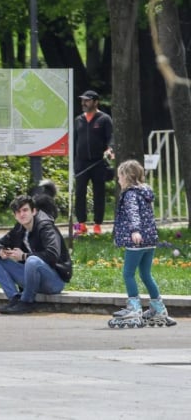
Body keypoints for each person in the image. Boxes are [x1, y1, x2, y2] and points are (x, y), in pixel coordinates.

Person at [109, 160, 176, 327]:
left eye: (119, 177)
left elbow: (133, 213)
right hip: (150, 240)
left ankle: (134, 307)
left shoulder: (130, 194)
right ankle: (158, 308)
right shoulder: (145, 192)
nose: (118, 180)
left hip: (136, 241)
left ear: (126, 176)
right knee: (146, 274)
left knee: (128, 273)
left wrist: (135, 230)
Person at [0, 194, 73, 314]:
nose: (22, 214)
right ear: (15, 215)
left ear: (34, 211)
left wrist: (23, 256)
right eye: (18, 212)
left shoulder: (45, 227)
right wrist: (1, 250)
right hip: (31, 278)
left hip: (54, 281)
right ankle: (15, 299)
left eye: (25, 210)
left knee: (32, 261)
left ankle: (27, 302)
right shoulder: (19, 228)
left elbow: (52, 255)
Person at [74, 90, 114, 235]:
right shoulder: (78, 119)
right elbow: (74, 141)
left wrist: (110, 149)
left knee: (99, 193)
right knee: (79, 193)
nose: (83, 103)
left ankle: (97, 225)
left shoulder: (104, 119)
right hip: (81, 163)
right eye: (82, 100)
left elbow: (111, 138)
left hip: (98, 163)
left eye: (87, 100)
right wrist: (73, 162)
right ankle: (80, 226)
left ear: (95, 102)